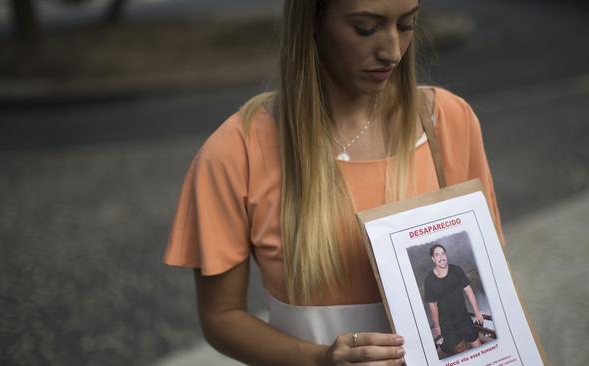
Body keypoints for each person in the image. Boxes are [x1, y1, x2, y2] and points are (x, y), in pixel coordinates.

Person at [163, 0, 504, 364]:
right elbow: (221, 315)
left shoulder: (448, 123)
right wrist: (319, 359)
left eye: (406, 25)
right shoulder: (236, 151)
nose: (392, 52)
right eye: (365, 28)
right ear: (311, 21)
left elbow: (497, 279)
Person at [424, 244, 485, 356]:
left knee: (478, 347)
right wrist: (437, 327)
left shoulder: (457, 270)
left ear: (446, 255)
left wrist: (476, 311)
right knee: (460, 350)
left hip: (464, 318)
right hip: (447, 325)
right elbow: (433, 307)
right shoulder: (429, 281)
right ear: (433, 259)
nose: (441, 257)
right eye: (437, 255)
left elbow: (468, 290)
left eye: (443, 254)